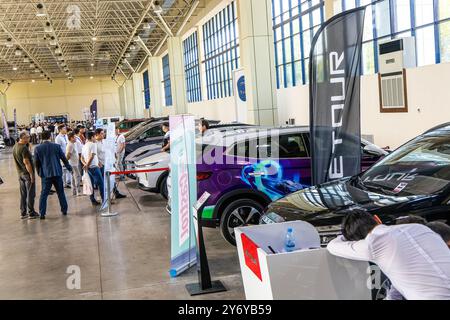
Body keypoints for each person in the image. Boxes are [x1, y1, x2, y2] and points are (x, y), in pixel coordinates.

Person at [327, 210, 450, 300]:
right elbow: (406, 278)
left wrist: (345, 236)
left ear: (358, 241)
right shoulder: (419, 228)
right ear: (377, 219)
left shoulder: (372, 244)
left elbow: (332, 246)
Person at [34, 130, 72, 219]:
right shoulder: (56, 146)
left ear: (41, 137)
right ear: (50, 137)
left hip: (46, 175)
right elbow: (64, 159)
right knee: (61, 193)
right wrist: (69, 168)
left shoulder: (38, 148)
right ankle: (64, 210)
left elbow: (36, 163)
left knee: (44, 194)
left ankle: (42, 213)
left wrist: (39, 172)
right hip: (57, 173)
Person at [12, 131, 38, 219]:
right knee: (31, 193)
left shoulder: (15, 146)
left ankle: (23, 212)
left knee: (23, 194)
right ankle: (31, 212)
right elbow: (26, 162)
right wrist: (31, 175)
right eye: (27, 137)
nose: (29, 139)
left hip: (20, 174)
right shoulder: (23, 148)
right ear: (23, 138)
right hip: (27, 174)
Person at [81, 131, 104, 206]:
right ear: (92, 137)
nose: (95, 138)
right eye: (94, 137)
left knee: (90, 184)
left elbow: (81, 158)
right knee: (101, 183)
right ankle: (104, 199)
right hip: (94, 167)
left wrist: (85, 165)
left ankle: (93, 200)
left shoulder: (84, 145)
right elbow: (92, 156)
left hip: (88, 168)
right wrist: (87, 165)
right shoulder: (93, 144)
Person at [66, 132, 81, 196]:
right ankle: (78, 191)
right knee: (77, 176)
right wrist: (66, 163)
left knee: (73, 177)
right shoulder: (70, 145)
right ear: (71, 138)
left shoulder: (73, 144)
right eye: (74, 137)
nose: (76, 138)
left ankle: (74, 191)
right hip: (73, 164)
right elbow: (68, 155)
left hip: (75, 163)